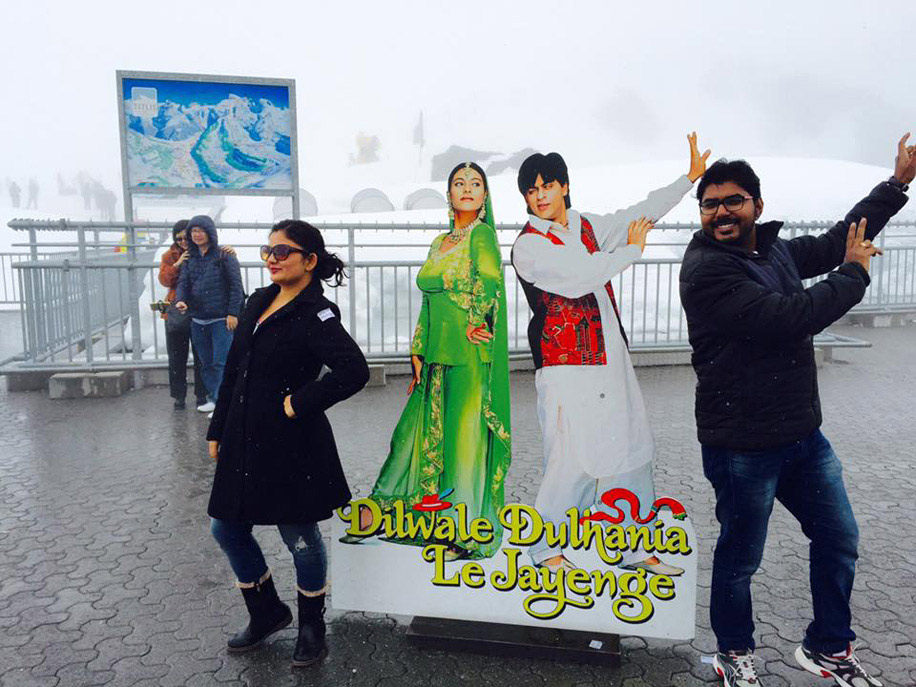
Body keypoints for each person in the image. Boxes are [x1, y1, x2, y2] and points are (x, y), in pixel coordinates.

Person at [679, 134, 915, 687]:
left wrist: (896, 183)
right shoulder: (706, 271)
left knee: (838, 537)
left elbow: (838, 240)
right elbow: (791, 316)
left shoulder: (774, 250)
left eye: (733, 201)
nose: (721, 212)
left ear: (757, 205)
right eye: (710, 204)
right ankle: (733, 652)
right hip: (742, 444)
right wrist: (855, 273)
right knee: (741, 560)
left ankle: (828, 647)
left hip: (802, 436)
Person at [510, 134, 710, 575]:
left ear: (564, 186)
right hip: (565, 368)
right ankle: (546, 551)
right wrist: (630, 252)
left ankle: (635, 546)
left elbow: (639, 213)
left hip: (609, 359)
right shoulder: (529, 246)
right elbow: (579, 277)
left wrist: (688, 179)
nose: (539, 196)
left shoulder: (586, 226)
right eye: (531, 190)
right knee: (571, 458)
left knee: (631, 446)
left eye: (547, 186)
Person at [207, 219, 370, 667]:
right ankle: (267, 612)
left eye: (282, 252)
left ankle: (312, 626)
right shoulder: (258, 301)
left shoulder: (317, 313)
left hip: (290, 444)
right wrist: (217, 428)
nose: (272, 259)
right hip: (242, 436)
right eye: (268, 251)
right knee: (226, 527)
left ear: (309, 260)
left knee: (298, 535)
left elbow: (354, 370)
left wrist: (300, 402)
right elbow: (234, 370)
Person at [355, 162, 511, 559]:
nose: (467, 189)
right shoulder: (439, 242)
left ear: (485, 195)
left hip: (468, 354)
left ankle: (463, 531)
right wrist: (417, 349)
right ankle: (399, 512)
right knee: (414, 434)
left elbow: (490, 280)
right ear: (449, 194)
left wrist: (476, 321)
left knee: (462, 441)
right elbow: (427, 300)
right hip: (436, 352)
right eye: (459, 183)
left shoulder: (482, 235)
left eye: (475, 183)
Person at [174, 215, 244, 414]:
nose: (196, 235)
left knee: (222, 362)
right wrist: (181, 300)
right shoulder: (189, 258)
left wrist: (232, 313)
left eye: (200, 231)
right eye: (193, 231)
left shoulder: (224, 255)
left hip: (221, 319)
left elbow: (236, 286)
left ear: (210, 233)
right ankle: (214, 398)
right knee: (206, 363)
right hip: (198, 319)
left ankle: (224, 403)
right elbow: (183, 283)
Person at [159, 219, 216, 410]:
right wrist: (177, 264)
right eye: (179, 239)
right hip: (176, 311)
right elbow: (164, 280)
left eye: (186, 237)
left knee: (202, 356)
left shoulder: (201, 252)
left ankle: (202, 394)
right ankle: (179, 395)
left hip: (199, 309)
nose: (183, 241)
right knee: (176, 356)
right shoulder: (169, 255)